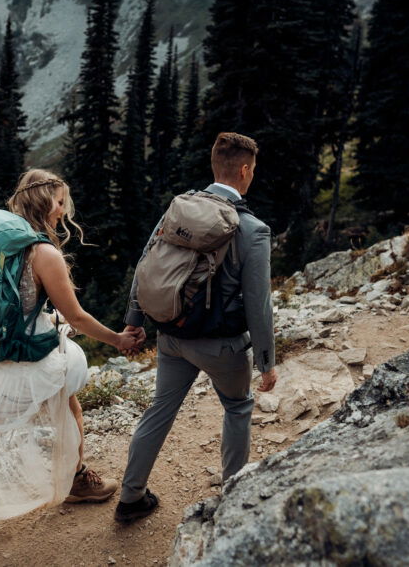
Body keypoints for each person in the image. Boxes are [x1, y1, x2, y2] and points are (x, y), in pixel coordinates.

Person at [0, 168, 145, 554]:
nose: (63, 210)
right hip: (23, 355)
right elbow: (80, 317)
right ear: (50, 202)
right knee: (68, 387)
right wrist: (118, 339)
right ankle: (77, 479)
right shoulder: (42, 252)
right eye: (61, 201)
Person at [114, 132, 278, 523]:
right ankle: (233, 497)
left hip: (171, 335)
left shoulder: (180, 207)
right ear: (244, 170)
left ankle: (130, 496)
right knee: (237, 407)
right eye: (252, 170)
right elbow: (259, 302)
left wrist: (134, 322)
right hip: (222, 347)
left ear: (214, 167)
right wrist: (266, 362)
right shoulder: (253, 229)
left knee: (159, 411)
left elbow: (145, 263)